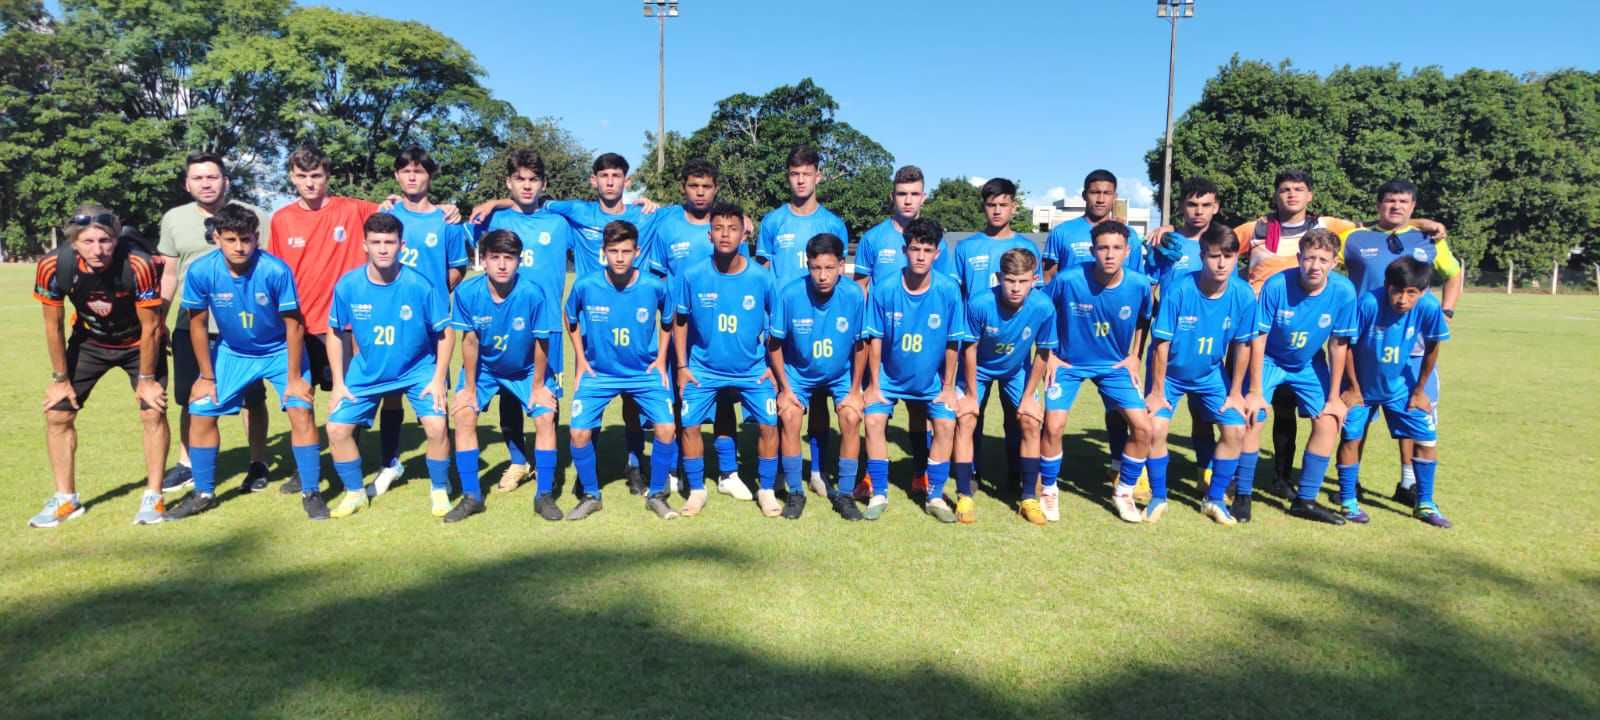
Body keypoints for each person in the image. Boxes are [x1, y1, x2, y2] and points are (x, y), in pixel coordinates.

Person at [1231, 169, 1445, 493]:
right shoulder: (1258, 227)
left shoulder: (1328, 227)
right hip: (1264, 331)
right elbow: (1218, 243)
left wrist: (1420, 225)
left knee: (1315, 413)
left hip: (1308, 334)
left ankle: (1299, 487)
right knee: (1267, 411)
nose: (1292, 195)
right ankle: (1266, 477)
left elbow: (1381, 227)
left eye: (1299, 189)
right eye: (1285, 189)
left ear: (1310, 195)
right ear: (1276, 194)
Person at [162, 205, 324, 520]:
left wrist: (294, 377)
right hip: (233, 352)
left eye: (246, 239)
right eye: (231, 239)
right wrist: (206, 376)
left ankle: (312, 491)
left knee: (301, 409)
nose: (239, 247)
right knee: (201, 411)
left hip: (279, 350)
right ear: (217, 238)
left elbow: (294, 325)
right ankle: (203, 493)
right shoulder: (201, 271)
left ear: (257, 238)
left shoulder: (275, 270)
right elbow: (196, 324)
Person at [30, 206, 170, 528]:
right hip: (91, 342)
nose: (98, 249)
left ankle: (153, 495)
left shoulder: (138, 263)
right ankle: (66, 499)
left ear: (115, 239)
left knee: (152, 410)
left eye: (105, 240)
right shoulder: (53, 265)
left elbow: (150, 327)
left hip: (139, 342)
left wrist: (147, 379)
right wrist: (60, 379)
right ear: (74, 243)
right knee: (58, 412)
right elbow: (53, 325)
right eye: (88, 241)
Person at [1338, 179, 1462, 506]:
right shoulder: (1355, 238)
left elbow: (1453, 272)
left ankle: (1408, 482)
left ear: (1413, 207)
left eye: (1403, 202)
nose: (1396, 206)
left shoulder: (1428, 239)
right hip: (1365, 344)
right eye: (1390, 201)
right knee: (1358, 416)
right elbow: (1321, 258)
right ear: (1378, 204)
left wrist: (1447, 309)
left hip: (1413, 346)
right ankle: (1354, 484)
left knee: (1411, 410)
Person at [322, 214, 453, 518]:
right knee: (337, 429)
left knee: (436, 426)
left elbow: (445, 334)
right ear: (364, 245)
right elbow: (335, 332)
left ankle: (439, 489)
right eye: (376, 242)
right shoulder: (349, 285)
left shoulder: (420, 285)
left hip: (417, 370)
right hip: (366, 372)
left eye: (390, 242)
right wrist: (340, 382)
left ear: (401, 245)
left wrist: (437, 379)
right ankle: (355, 493)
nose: (383, 249)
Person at [266, 144, 380, 495]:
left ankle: (350, 458)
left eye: (316, 176)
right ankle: (308, 469)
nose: (310, 183)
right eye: (302, 176)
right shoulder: (281, 219)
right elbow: (274, 273)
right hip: (301, 326)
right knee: (302, 400)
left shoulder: (353, 209)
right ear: (291, 178)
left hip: (347, 327)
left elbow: (403, 210)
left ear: (327, 176)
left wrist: (448, 210)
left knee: (349, 394)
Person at [157, 152, 273, 493]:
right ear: (187, 183)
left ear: (225, 180)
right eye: (198, 178)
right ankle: (187, 463)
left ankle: (258, 462)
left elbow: (267, 266)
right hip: (191, 323)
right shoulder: (174, 219)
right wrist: (159, 320)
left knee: (252, 398)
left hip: (242, 325)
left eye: (212, 177)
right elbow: (169, 273)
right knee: (191, 397)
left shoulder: (255, 216)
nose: (206, 184)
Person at [469, 149, 579, 495]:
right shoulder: (493, 222)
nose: (527, 186)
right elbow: (452, 228)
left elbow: (602, 225)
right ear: (509, 182)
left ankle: (550, 463)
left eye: (533, 180)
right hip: (502, 325)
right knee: (508, 395)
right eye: (520, 179)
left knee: (548, 396)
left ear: (544, 184)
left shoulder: (560, 224)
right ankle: (519, 460)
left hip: (547, 328)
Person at [1143, 223, 1264, 526]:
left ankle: (1214, 499)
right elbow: (1160, 344)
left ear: (1238, 258)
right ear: (1202, 256)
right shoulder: (1180, 289)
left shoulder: (1243, 295)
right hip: (1169, 374)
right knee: (1155, 428)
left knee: (1235, 430)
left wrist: (1236, 392)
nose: (1221, 263)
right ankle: (1159, 497)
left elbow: (1243, 345)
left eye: (1228, 256)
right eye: (1213, 256)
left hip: (1211, 374)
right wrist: (1157, 392)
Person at [1232, 228, 1355, 525]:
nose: (1315, 266)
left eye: (1323, 260)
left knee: (1329, 421)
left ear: (1335, 262)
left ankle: (1305, 500)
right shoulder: (1276, 285)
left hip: (1308, 364)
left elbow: (1339, 344)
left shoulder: (1344, 292)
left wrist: (1335, 397)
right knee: (1254, 415)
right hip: (1271, 359)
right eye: (1309, 258)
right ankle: (1243, 494)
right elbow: (1258, 338)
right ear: (1299, 258)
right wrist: (1256, 390)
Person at [642, 159, 747, 498]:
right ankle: (673, 469)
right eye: (693, 186)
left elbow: (740, 275)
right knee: (675, 399)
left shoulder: (728, 226)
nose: (700, 193)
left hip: (718, 332)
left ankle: (728, 473)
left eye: (706, 186)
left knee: (724, 399)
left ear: (716, 188)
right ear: (683, 187)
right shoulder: (667, 226)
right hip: (677, 330)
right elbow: (657, 279)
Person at [1040, 221, 1156, 525]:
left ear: (1128, 251)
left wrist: (1134, 355)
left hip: (1114, 367)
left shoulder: (1140, 284)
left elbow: (1145, 319)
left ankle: (1125, 492)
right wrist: (1049, 355)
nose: (1109, 254)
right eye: (1103, 248)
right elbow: (1043, 309)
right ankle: (1049, 490)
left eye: (1117, 248)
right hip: (1068, 364)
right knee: (1053, 425)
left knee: (1143, 428)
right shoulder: (1067, 280)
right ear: (1092, 250)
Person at [371, 146, 471, 497]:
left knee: (435, 394)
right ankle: (390, 463)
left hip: (431, 323)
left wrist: (431, 295)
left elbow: (458, 267)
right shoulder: (386, 215)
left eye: (419, 171)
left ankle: (441, 475)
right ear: (397, 176)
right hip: (388, 321)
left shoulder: (447, 221)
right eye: (406, 171)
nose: (412, 177)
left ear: (430, 176)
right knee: (390, 395)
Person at [672, 203, 782, 516]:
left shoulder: (761, 278)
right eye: (719, 228)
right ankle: (695, 490)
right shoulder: (692, 275)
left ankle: (767, 490)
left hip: (752, 372)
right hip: (703, 370)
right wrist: (681, 366)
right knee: (690, 425)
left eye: (732, 228)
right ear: (709, 234)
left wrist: (774, 369)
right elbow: (679, 321)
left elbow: (777, 325)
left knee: (769, 425)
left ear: (744, 232)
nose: (725, 234)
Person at [566, 221, 680, 520]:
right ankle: (591, 495)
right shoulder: (586, 285)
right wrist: (581, 360)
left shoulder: (654, 285)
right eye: (613, 251)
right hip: (599, 373)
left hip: (643, 373)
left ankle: (656, 493)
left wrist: (661, 360)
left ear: (637, 252)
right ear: (603, 252)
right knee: (578, 433)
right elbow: (570, 318)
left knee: (666, 428)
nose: (619, 258)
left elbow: (668, 320)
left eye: (626, 251)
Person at [861, 218, 972, 523]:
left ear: (937, 254)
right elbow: (875, 339)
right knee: (872, 419)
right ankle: (879, 492)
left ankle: (934, 495)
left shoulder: (949, 290)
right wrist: (873, 384)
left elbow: (953, 343)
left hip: (932, 380)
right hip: (889, 376)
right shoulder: (884, 288)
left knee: (946, 425)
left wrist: (949, 387)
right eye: (914, 249)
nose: (920, 256)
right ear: (904, 250)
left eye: (927, 249)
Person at [446, 229, 560, 523]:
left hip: (526, 370)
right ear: (482, 260)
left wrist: (537, 386)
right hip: (484, 370)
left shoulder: (533, 293)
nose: (501, 265)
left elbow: (542, 342)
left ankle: (544, 494)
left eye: (508, 258)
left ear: (519, 261)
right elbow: (469, 342)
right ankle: (472, 496)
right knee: (463, 414)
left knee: (545, 416)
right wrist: (469, 388)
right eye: (494, 257)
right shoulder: (467, 292)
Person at [757, 146, 850, 493]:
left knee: (824, 398)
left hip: (822, 322)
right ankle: (782, 467)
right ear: (788, 177)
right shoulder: (773, 221)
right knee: (784, 397)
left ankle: (818, 469)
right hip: (783, 324)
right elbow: (765, 273)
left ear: (817, 176)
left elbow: (839, 273)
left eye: (806, 173)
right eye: (794, 174)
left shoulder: (832, 223)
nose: (800, 180)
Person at [1336, 257, 1452, 528]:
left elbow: (1433, 346)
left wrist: (1420, 390)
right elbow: (1347, 344)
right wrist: (1353, 387)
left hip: (1400, 388)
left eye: (1411, 292)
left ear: (1422, 292)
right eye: (1397, 291)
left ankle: (1424, 503)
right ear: (1387, 286)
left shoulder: (1429, 307)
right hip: (1362, 388)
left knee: (1426, 440)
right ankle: (1348, 500)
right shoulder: (1368, 303)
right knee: (1351, 438)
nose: (1402, 299)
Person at [951, 177, 1041, 494]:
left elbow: (1034, 299)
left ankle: (1016, 473)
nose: (997, 210)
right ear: (984, 207)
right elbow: (956, 294)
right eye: (992, 205)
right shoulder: (966, 247)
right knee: (972, 411)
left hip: (1015, 351)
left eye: (1004, 204)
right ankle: (970, 472)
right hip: (974, 346)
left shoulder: (1028, 248)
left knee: (1018, 415)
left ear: (1014, 207)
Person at [771, 233, 868, 520]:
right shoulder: (790, 293)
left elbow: (861, 344)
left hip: (840, 375)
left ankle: (846, 493)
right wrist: (785, 389)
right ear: (807, 265)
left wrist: (854, 390)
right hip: (798, 374)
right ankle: (795, 492)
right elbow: (774, 344)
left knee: (851, 416)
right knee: (789, 416)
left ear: (841, 265)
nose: (822, 275)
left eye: (828, 268)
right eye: (815, 268)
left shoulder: (853, 295)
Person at [957, 248, 1055, 525]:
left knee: (1030, 420)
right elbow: (970, 349)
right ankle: (964, 494)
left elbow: (1043, 353)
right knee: (966, 417)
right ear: (998, 277)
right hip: (979, 369)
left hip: (1016, 371)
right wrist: (972, 395)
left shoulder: (1043, 306)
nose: (1015, 287)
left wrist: (1029, 397)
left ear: (1034, 279)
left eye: (1023, 281)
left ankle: (1028, 498)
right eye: (1010, 280)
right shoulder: (979, 303)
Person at [1041, 169, 1146, 281]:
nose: (1101, 200)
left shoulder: (1129, 235)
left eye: (1107, 193)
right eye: (1095, 193)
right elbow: (1049, 279)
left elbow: (1137, 281)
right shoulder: (1061, 232)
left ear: (1114, 197)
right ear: (1084, 195)